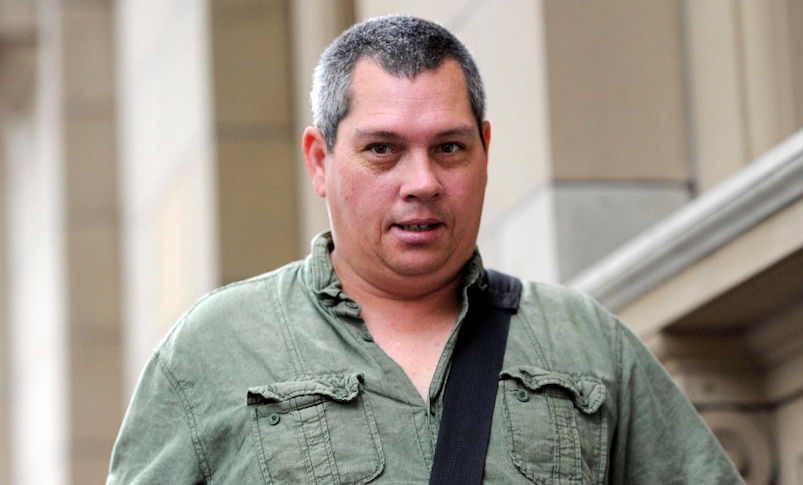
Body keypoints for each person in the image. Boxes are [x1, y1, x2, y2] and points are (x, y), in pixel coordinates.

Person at [107, 15, 744, 484]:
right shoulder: (213, 350)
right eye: (383, 149)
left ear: (485, 151)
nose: (423, 183)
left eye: (449, 148)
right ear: (321, 160)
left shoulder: (586, 343)